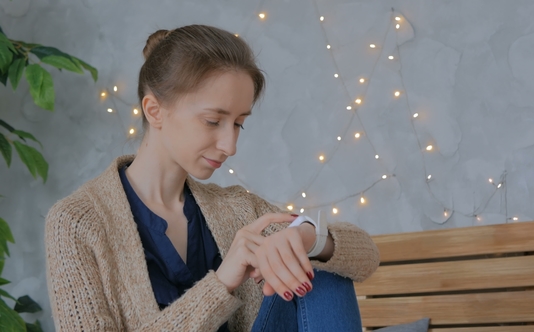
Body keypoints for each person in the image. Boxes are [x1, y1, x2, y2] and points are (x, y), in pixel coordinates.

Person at [45, 24, 380, 332]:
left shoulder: (236, 208)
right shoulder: (76, 222)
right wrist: (221, 283)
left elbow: (366, 256)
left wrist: (308, 237)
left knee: (322, 274)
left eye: (238, 124)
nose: (230, 145)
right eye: (212, 121)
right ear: (154, 110)